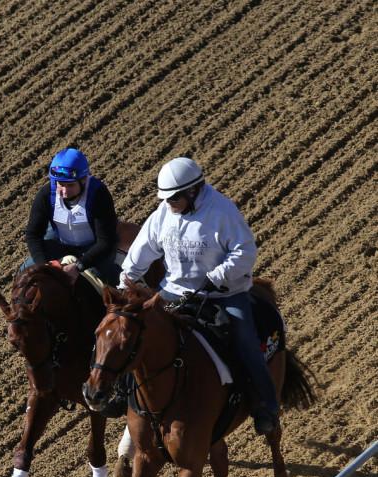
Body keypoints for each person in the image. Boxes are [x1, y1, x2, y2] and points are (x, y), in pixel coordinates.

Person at [119, 156, 279, 435]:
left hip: (225, 295)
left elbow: (245, 252)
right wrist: (126, 279)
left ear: (192, 191)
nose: (168, 204)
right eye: (166, 199)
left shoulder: (222, 212)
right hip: (174, 293)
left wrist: (217, 277)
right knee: (137, 335)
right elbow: (143, 247)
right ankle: (122, 394)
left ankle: (266, 406)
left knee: (245, 341)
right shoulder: (164, 213)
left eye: (173, 199)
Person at [21, 148, 121, 286]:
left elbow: (106, 242)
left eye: (70, 185)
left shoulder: (99, 195)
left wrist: (79, 266)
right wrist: (43, 266)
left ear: (84, 180)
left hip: (94, 248)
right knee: (26, 271)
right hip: (61, 243)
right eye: (61, 185)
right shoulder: (45, 195)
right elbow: (33, 234)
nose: (65, 191)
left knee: (110, 282)